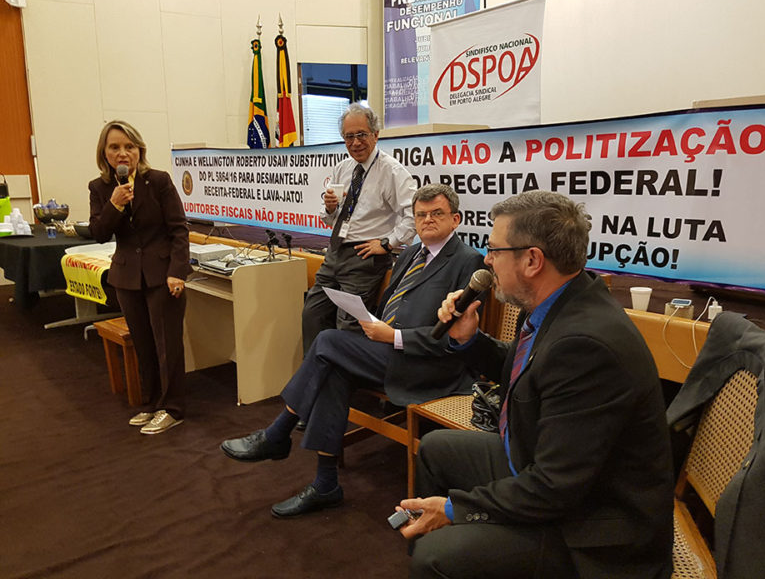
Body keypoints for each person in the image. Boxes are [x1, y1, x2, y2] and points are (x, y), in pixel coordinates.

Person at [397, 191, 674, 579]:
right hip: (548, 473)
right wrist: (468, 339)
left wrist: (452, 509)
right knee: (436, 449)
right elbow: (524, 370)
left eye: (495, 250)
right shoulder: (563, 303)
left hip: (594, 527)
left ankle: (442, 556)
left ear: (532, 260)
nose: (487, 261)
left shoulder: (585, 346)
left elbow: (553, 488)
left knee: (436, 557)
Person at [221, 184, 484, 518]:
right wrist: (370, 322)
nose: (427, 220)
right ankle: (325, 483)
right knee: (334, 367)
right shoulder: (408, 255)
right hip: (389, 350)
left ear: (455, 219)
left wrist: (393, 335)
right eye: (421, 215)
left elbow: (452, 338)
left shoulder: (468, 261)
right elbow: (392, 306)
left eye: (437, 214)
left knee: (328, 341)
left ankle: (278, 433)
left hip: (429, 364)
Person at [89, 120, 191, 435]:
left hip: (163, 276)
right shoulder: (100, 188)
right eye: (115, 147)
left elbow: (179, 230)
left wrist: (177, 272)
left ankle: (172, 408)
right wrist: (114, 204)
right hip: (127, 277)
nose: (123, 153)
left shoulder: (158, 181)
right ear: (105, 153)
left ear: (139, 150)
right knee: (143, 345)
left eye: (129, 146)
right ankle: (151, 403)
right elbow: (99, 232)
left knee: (167, 345)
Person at [302, 102, 416, 352]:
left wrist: (387, 243)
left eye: (361, 135)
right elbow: (331, 219)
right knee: (312, 313)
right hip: (335, 252)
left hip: (364, 259)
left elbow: (413, 215)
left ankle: (345, 376)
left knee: (348, 326)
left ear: (376, 134)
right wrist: (330, 209)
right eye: (349, 136)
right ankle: (315, 373)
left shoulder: (392, 171)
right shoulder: (343, 168)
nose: (355, 143)